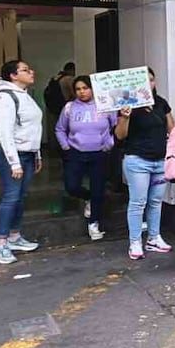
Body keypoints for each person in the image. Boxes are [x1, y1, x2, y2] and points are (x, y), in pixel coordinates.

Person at [117, 67, 174, 260]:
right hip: (137, 161)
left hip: (160, 161)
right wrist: (125, 117)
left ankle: (153, 238)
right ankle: (135, 241)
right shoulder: (128, 105)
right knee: (138, 202)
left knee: (156, 201)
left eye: (151, 79)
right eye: (144, 80)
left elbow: (172, 129)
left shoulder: (161, 103)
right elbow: (119, 135)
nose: (149, 83)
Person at [0, 60, 44, 265]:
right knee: (11, 197)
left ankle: (14, 236)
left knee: (21, 196)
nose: (31, 72)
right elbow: (5, 133)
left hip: (27, 154)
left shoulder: (25, 95)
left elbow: (31, 128)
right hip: (11, 155)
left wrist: (37, 154)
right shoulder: (5, 97)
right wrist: (14, 163)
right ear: (13, 76)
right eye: (25, 70)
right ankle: (0, 243)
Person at [55, 75, 117, 241]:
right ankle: (87, 197)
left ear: (92, 89)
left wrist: (109, 144)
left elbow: (116, 128)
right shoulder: (69, 107)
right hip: (75, 152)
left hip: (99, 153)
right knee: (71, 186)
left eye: (85, 88)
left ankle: (94, 223)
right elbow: (60, 129)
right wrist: (65, 146)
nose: (82, 92)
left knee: (98, 188)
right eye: (78, 89)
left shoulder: (105, 106)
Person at [43, 62, 75, 154]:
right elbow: (74, 94)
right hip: (64, 106)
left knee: (57, 128)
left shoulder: (56, 78)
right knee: (66, 129)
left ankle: (56, 149)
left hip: (53, 107)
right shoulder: (68, 79)